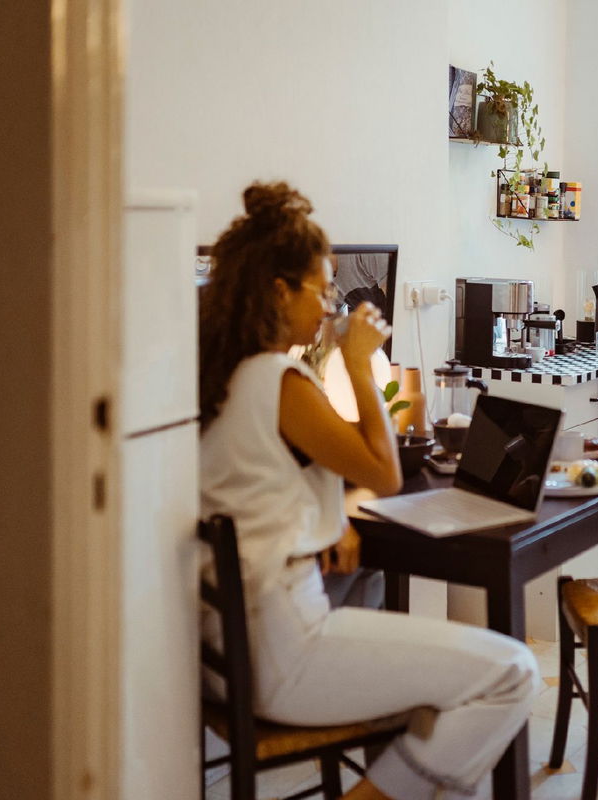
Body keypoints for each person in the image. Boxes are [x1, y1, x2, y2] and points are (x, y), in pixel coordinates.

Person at [198, 182, 539, 800]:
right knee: (512, 671)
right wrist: (358, 363)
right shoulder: (279, 378)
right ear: (279, 290)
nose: (331, 303)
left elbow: (295, 471)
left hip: (234, 647)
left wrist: (335, 522)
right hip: (283, 648)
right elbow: (384, 474)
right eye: (321, 287)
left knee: (430, 663)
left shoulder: (227, 374)